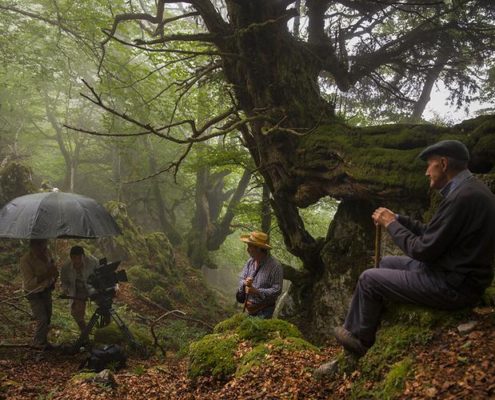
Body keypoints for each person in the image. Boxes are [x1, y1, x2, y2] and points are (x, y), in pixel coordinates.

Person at [334, 139, 495, 358]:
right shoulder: (469, 191)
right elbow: (433, 232)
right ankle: (370, 321)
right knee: (387, 263)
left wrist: (391, 224)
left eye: (430, 165)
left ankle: (360, 340)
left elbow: (423, 250)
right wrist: (399, 219)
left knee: (369, 278)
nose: (427, 172)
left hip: (454, 286)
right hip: (452, 273)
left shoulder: (462, 198)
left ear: (444, 164)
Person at [20, 239, 59, 349]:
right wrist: (47, 274)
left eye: (44, 246)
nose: (42, 250)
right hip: (33, 293)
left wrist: (54, 275)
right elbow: (29, 283)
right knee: (42, 318)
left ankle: (44, 342)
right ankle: (37, 344)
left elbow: (52, 267)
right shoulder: (25, 260)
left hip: (46, 290)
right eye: (39, 247)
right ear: (32, 246)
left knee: (48, 316)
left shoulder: (48, 253)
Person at [236, 231, 283, 318]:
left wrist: (256, 291)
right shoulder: (250, 262)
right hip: (248, 310)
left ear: (258, 248)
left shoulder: (275, 266)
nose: (247, 249)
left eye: (250, 246)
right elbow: (241, 278)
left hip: (264, 312)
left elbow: (277, 290)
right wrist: (245, 283)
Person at [60, 246, 98, 332]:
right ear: (71, 257)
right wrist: (65, 289)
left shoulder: (93, 261)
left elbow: (102, 273)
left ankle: (105, 328)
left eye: (79, 258)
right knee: (76, 312)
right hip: (78, 290)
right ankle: (85, 333)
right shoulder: (66, 267)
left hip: (94, 287)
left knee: (104, 306)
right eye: (74, 258)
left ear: (83, 256)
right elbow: (64, 281)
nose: (77, 260)